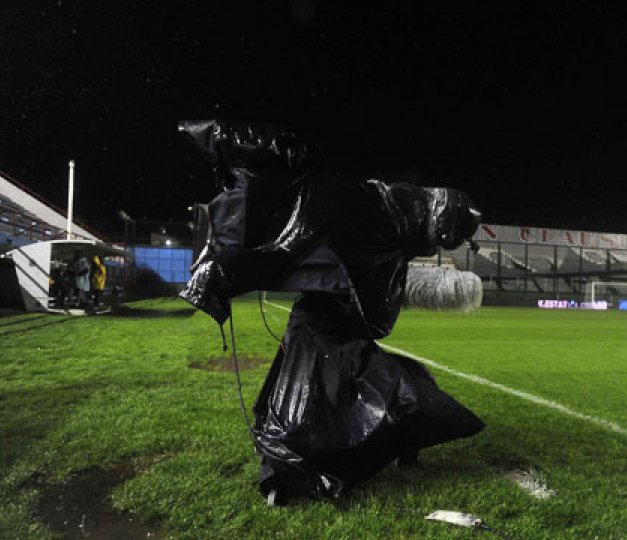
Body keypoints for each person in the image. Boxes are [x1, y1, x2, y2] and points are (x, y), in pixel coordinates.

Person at [178, 120, 485, 503]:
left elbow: (363, 269)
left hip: (329, 329)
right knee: (363, 400)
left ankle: (354, 456)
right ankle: (283, 478)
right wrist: (234, 272)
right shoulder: (362, 207)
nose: (444, 242)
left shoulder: (382, 220)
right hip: (321, 332)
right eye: (449, 235)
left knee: (383, 392)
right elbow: (297, 240)